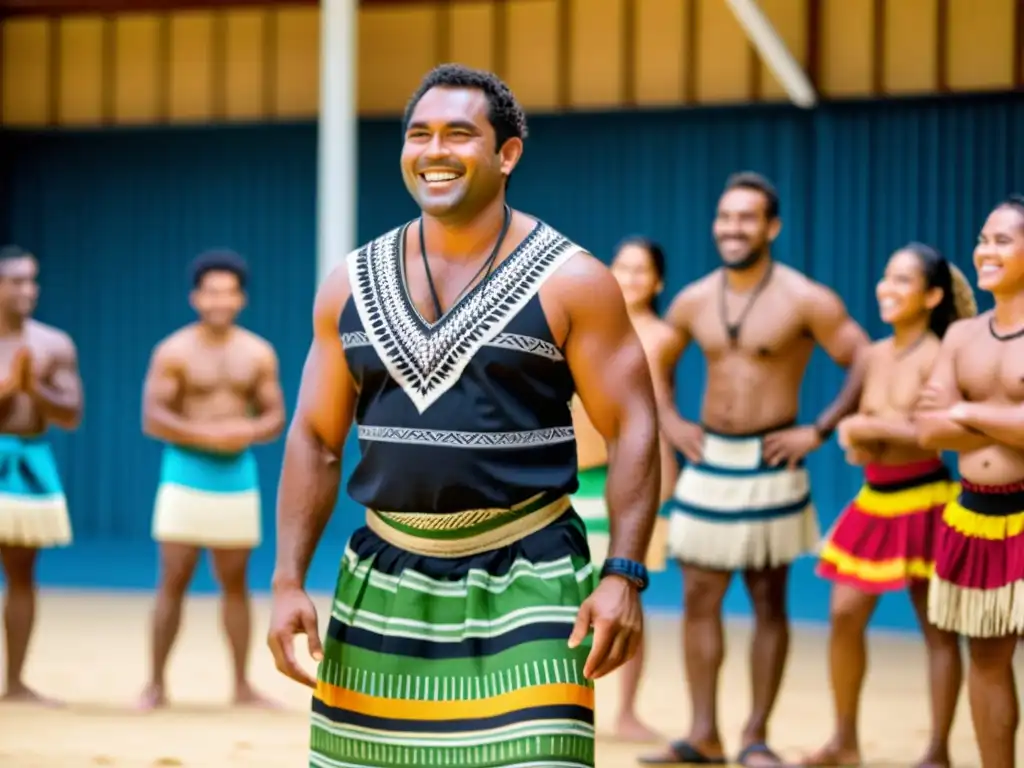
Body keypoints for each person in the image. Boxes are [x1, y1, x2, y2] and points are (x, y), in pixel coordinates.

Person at [266, 63, 661, 768]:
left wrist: (622, 574)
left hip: (531, 577)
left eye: (458, 134)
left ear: (507, 154)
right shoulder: (348, 282)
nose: (434, 151)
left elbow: (633, 425)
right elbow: (316, 438)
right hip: (383, 579)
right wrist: (288, 579)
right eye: (419, 134)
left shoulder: (573, 280)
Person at [641, 172, 871, 767]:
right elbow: (649, 360)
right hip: (710, 461)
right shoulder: (694, 298)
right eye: (724, 217)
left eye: (746, 218)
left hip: (772, 461)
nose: (732, 228)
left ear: (772, 227)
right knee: (697, 596)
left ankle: (755, 737)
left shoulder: (804, 297)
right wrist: (669, 420)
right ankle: (702, 735)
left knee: (768, 599)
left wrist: (817, 430)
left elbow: (864, 355)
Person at [805, 244, 977, 768]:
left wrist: (868, 427)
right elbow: (857, 424)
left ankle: (938, 750)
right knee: (844, 613)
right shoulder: (874, 354)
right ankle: (844, 741)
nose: (887, 288)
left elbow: (933, 434)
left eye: (903, 281)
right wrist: (856, 436)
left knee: (937, 627)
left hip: (926, 497)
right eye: (886, 276)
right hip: (875, 497)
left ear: (930, 296)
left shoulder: (941, 353)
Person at [137, 249, 285, 711]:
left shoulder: (257, 352)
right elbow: (153, 417)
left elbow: (276, 415)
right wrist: (204, 434)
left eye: (229, 291)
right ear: (195, 297)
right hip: (184, 472)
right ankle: (156, 684)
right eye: (212, 291)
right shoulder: (174, 350)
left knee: (236, 581)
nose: (220, 300)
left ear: (240, 298)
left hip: (235, 477)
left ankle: (242, 685)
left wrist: (247, 431)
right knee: (173, 577)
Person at [916, 195, 1024, 768]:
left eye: (1002, 240)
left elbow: (948, 418)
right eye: (983, 239)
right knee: (986, 656)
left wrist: (965, 412)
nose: (985, 251)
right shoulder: (960, 337)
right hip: (976, 514)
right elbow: (930, 430)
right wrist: (974, 421)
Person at [571, 236, 682, 742]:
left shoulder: (662, 336)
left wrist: (664, 482)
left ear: (657, 282)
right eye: (623, 267)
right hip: (577, 477)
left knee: (624, 594)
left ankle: (629, 710)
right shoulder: (589, 322)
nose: (631, 277)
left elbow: (659, 413)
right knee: (570, 594)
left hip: (633, 478)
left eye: (642, 271)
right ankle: (571, 703)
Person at [0, 245, 82, 705]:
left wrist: (35, 387)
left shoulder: (53, 344)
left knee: (22, 573)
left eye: (33, 280)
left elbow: (72, 414)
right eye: (17, 281)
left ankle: (14, 682)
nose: (28, 290)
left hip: (28, 461)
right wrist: (9, 388)